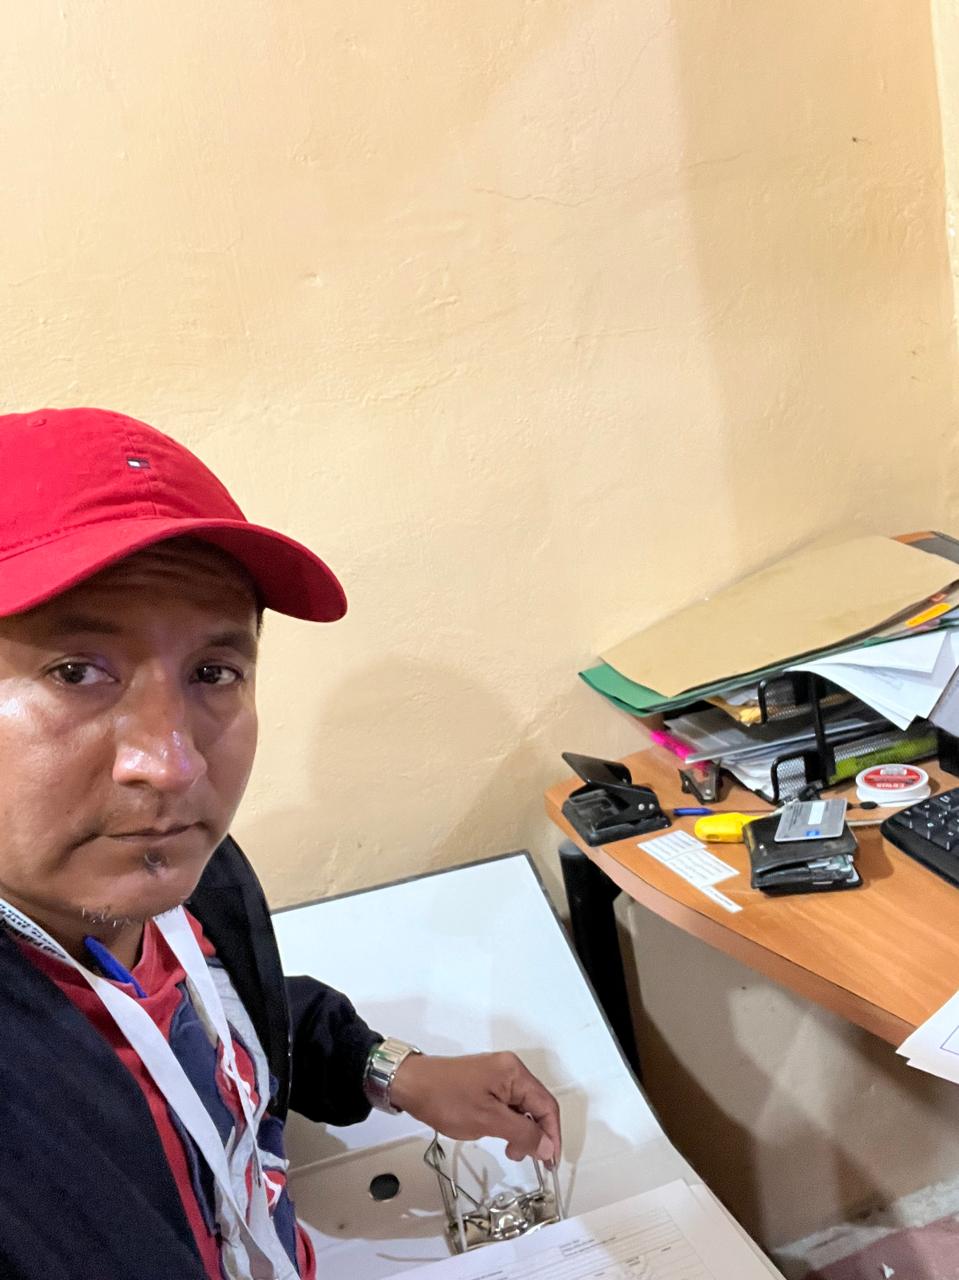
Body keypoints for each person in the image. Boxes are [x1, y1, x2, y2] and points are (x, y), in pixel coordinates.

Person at [0, 407, 561, 1280]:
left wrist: (384, 1068)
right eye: (76, 671)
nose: (174, 764)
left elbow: (224, 1012)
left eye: (213, 673)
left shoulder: (196, 882)